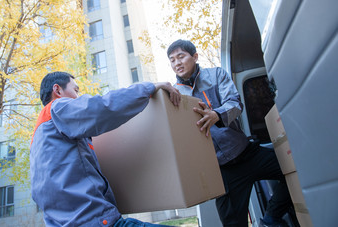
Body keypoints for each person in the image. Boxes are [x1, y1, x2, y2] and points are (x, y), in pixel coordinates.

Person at [167, 40, 294, 227]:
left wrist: (216, 115)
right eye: (172, 60)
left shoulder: (216, 74)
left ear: (194, 57)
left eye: (181, 56)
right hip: (222, 171)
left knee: (293, 168)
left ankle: (271, 219)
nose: (176, 63)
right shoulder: (174, 94)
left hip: (247, 153)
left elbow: (235, 103)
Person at [30, 71, 181, 227]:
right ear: (58, 90)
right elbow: (103, 107)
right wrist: (149, 87)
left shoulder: (38, 137)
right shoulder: (57, 108)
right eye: (75, 90)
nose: (78, 96)